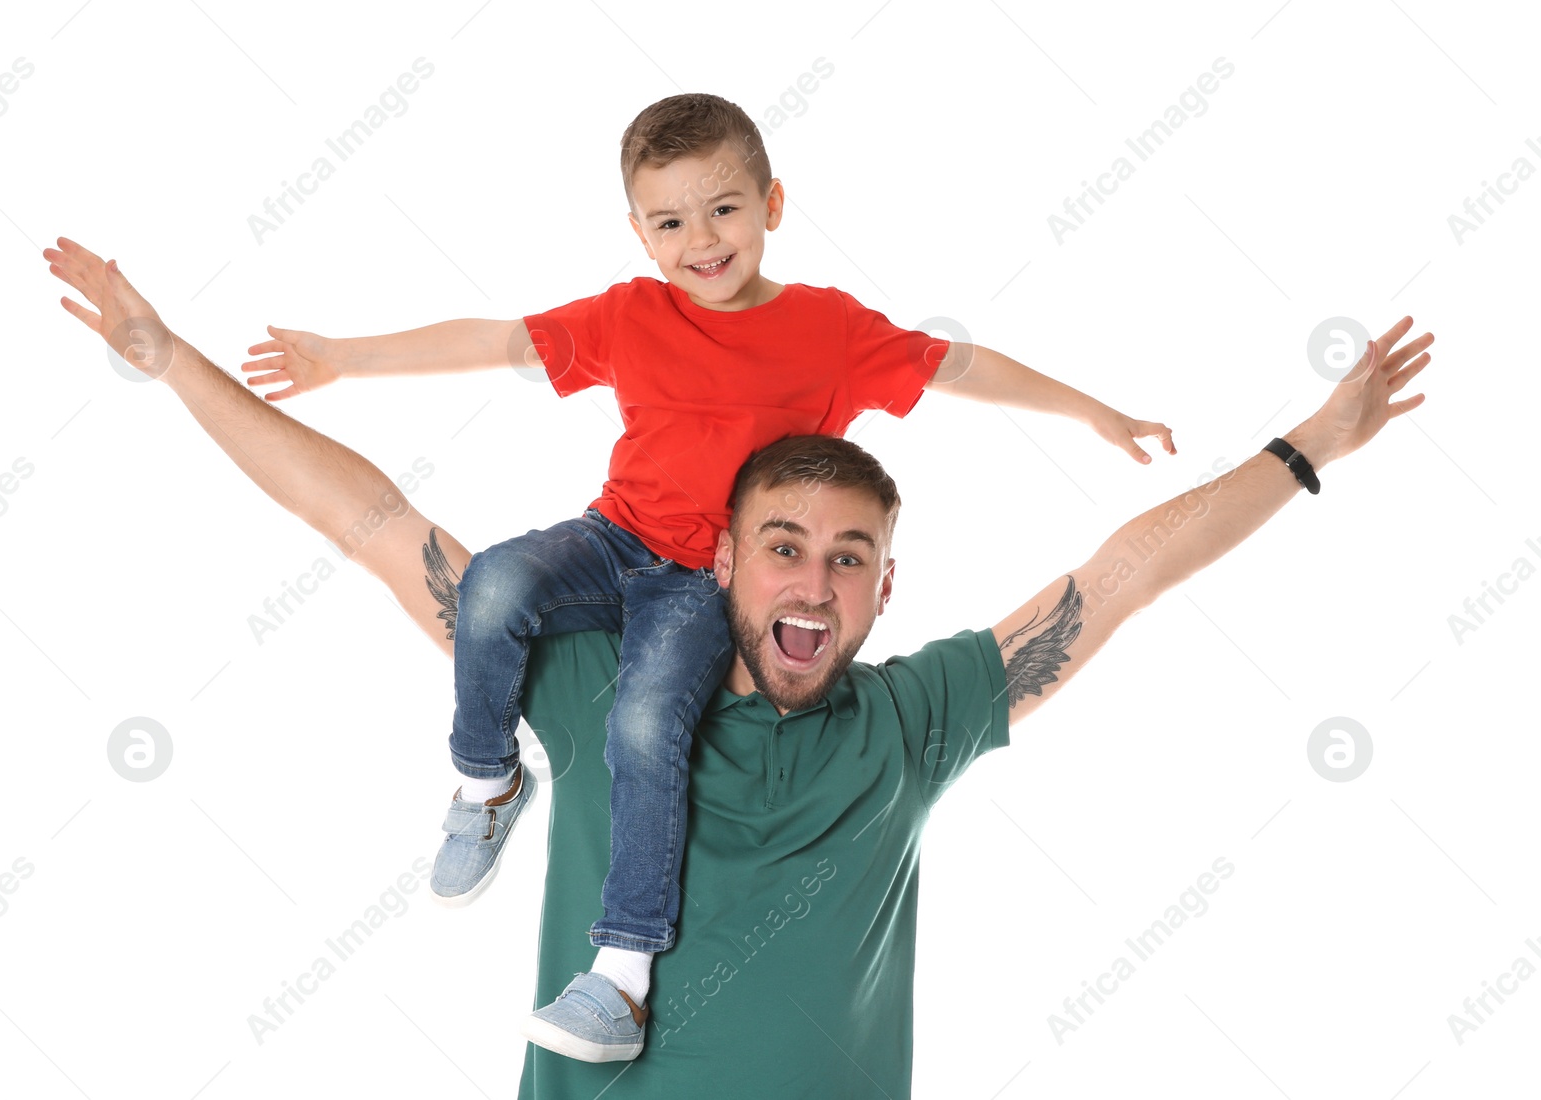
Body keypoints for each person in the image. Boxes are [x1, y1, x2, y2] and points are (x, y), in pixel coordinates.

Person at [43, 238, 1431, 1097]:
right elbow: (361, 519)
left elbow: (1126, 574)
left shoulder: (919, 716)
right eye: (782, 546)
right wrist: (175, 365)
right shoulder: (592, 681)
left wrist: (1309, 446)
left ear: (889, 588)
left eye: (847, 557)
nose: (812, 580)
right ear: (721, 563)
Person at [229, 91, 1177, 1059]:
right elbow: (498, 341)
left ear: (772, 203)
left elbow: (955, 366)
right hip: (613, 538)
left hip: (702, 583)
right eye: (669, 221)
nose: (701, 240)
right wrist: (341, 357)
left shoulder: (827, 331)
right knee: (494, 587)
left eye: (723, 209)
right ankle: (487, 779)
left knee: (643, 724)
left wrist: (1092, 410)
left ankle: (621, 976)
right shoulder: (629, 315)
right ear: (637, 233)